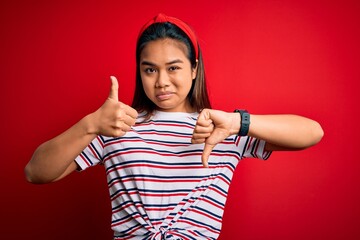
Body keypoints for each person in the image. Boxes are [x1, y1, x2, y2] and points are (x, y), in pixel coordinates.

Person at [25, 13, 324, 240]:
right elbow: (35, 173)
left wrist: (238, 122)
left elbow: (312, 133)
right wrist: (89, 124)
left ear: (194, 69)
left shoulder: (221, 127)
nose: (161, 82)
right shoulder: (116, 126)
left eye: (173, 68)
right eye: (150, 69)